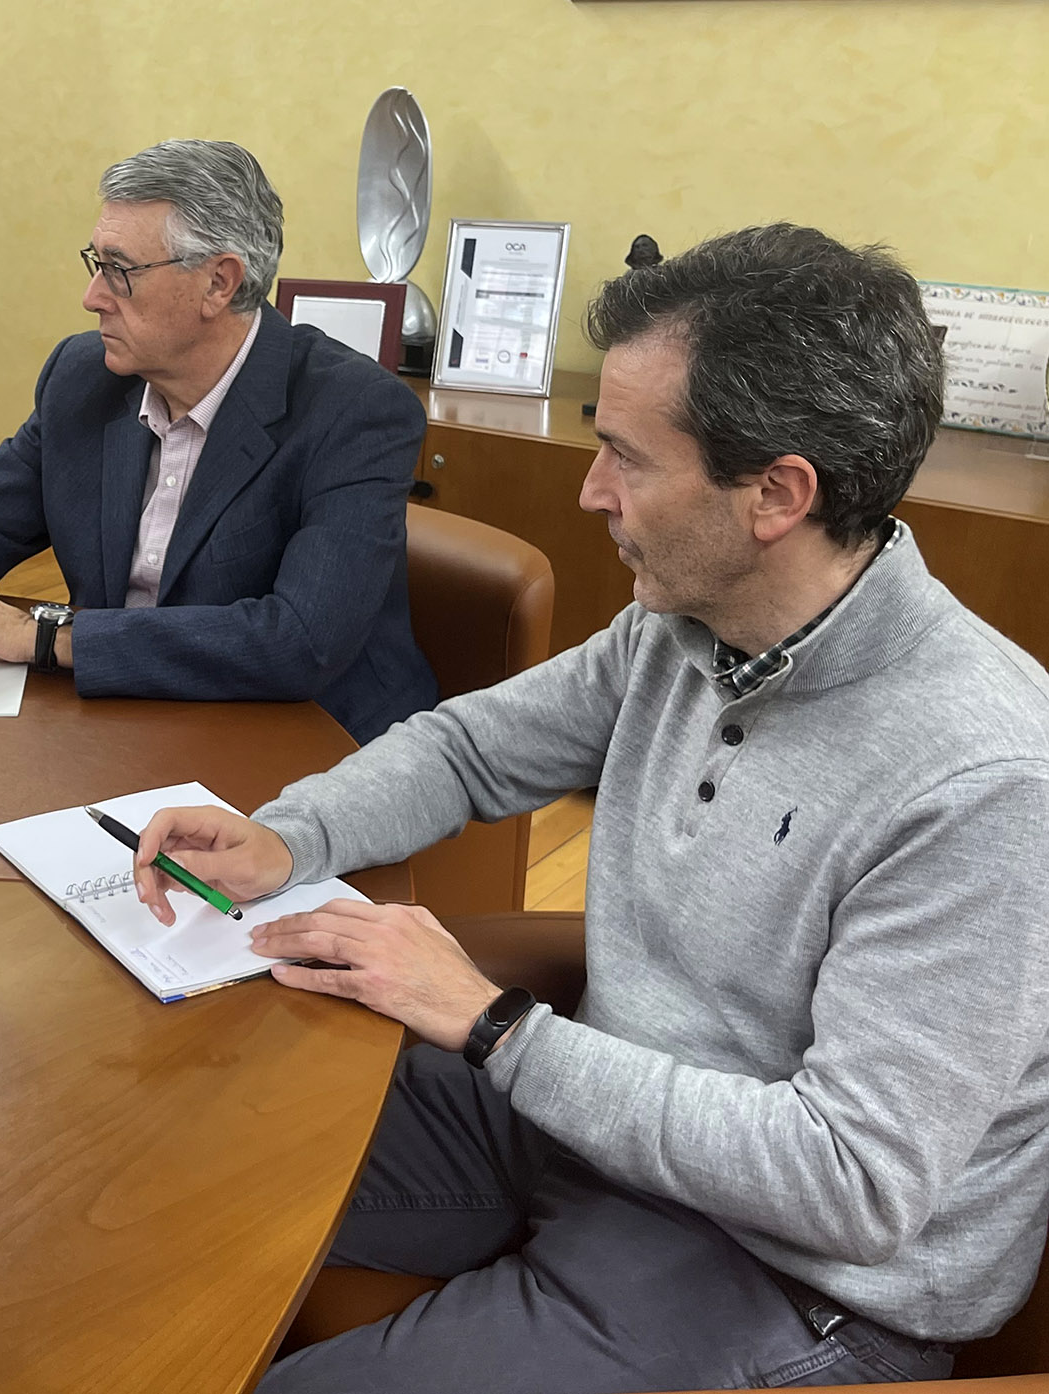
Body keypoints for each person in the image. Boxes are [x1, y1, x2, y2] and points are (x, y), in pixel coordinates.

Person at [131, 224, 1049, 1389]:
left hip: (788, 1272)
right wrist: (290, 831)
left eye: (624, 454)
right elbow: (469, 747)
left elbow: (849, 1184)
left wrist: (496, 1027)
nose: (589, 489)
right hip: (586, 1123)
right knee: (157, 1167)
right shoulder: (682, 627)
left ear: (776, 493)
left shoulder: (985, 783)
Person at [0, 139, 437, 744]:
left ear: (219, 283)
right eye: (94, 263)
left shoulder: (354, 411)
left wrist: (42, 637)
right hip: (124, 716)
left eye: (119, 271)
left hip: (304, 741)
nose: (93, 297)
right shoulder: (85, 378)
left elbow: (299, 640)